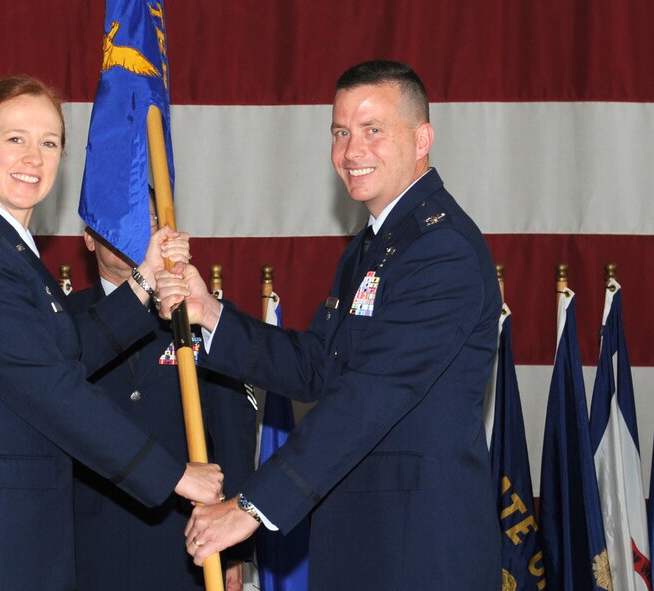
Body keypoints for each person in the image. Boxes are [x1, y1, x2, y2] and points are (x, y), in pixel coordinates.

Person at [157, 60, 502, 589]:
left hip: (417, 548)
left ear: (423, 137)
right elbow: (320, 365)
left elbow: (370, 395)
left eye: (373, 130)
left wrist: (250, 506)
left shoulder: (441, 250)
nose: (352, 151)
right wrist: (210, 314)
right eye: (341, 132)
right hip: (362, 535)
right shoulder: (376, 244)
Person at [0, 75, 223, 591]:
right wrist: (173, 474)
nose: (33, 158)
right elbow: (51, 389)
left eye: (49, 142)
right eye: (15, 138)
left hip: (3, 537)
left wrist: (145, 279)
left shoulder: (1, 245)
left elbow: (62, 352)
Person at [70, 196, 257, 591]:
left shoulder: (197, 313)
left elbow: (231, 431)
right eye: (117, 218)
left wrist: (236, 548)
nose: (131, 231)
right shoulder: (63, 324)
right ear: (89, 238)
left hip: (184, 545)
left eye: (146, 219)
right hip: (83, 544)